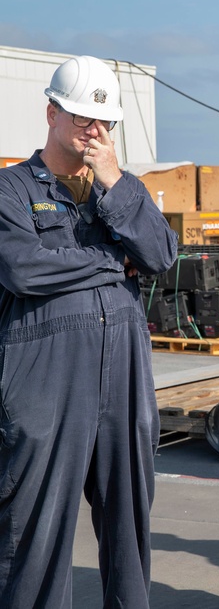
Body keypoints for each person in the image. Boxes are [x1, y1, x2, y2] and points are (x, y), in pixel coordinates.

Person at [0, 55, 177, 607]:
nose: (94, 130)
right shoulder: (11, 190)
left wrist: (115, 181)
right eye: (80, 118)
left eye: (104, 123)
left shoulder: (123, 191)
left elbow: (160, 254)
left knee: (129, 528)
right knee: (35, 529)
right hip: (44, 379)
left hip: (122, 376)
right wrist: (109, 261)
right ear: (51, 113)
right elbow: (23, 268)